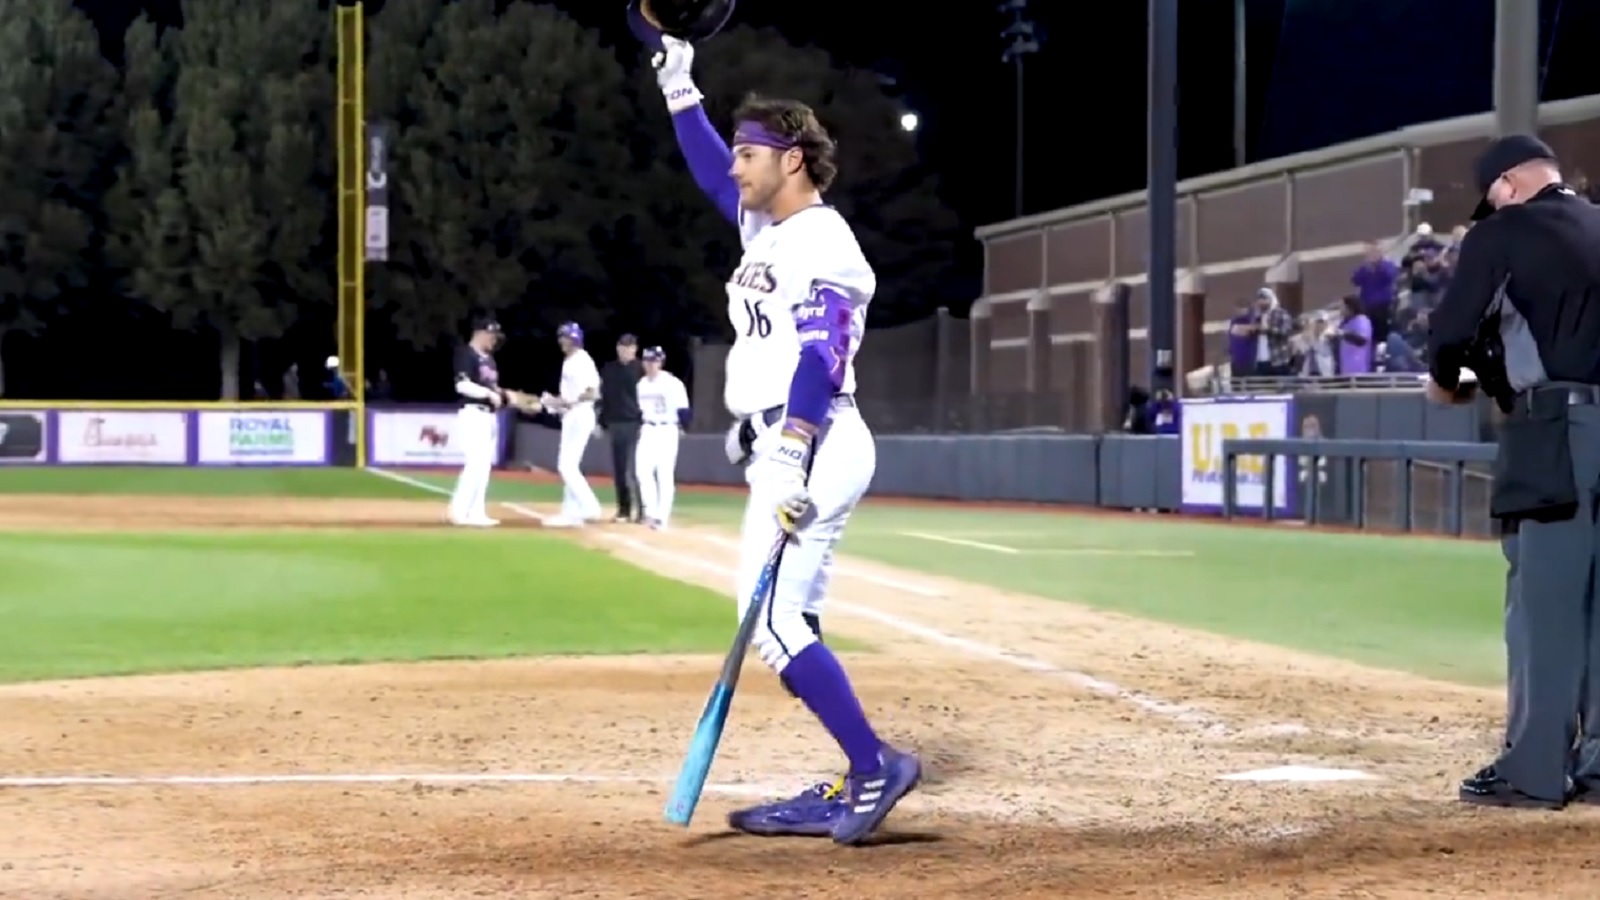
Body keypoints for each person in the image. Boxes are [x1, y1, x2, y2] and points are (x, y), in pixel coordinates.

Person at [650, 31, 921, 844]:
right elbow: (704, 172)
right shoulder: (767, 235)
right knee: (790, 620)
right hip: (784, 441)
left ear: (792, 159)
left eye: (749, 154)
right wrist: (677, 85)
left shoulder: (825, 242)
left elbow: (823, 350)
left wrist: (792, 447)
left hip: (819, 442)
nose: (735, 167)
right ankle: (857, 771)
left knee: (771, 626)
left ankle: (875, 769)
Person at [1428, 134, 1600, 809]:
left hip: (1555, 428)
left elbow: (1450, 339)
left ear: (1507, 184)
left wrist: (1449, 381)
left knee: (1544, 606)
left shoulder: (1503, 233)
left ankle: (1532, 772)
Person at [543, 322, 604, 528]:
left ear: (575, 339)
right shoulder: (569, 361)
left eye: (566, 337)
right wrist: (554, 402)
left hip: (580, 415)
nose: (562, 341)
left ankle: (590, 507)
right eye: (561, 337)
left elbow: (593, 392)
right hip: (571, 415)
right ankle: (570, 512)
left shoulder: (582, 359)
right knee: (569, 464)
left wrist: (570, 402)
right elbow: (569, 396)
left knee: (566, 465)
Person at [448, 316, 506, 527]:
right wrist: (488, 394)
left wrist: (504, 394)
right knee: (474, 463)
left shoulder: (489, 359)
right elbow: (462, 385)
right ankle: (459, 510)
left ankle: (477, 511)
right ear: (480, 333)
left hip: (489, 416)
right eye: (491, 335)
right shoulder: (466, 353)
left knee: (484, 466)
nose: (494, 340)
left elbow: (493, 386)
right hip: (473, 413)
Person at [633, 346, 691, 529]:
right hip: (648, 428)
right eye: (647, 361)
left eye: (654, 361)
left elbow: (684, 410)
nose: (650, 364)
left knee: (664, 474)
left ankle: (661, 517)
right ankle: (651, 512)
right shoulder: (641, 384)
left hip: (667, 429)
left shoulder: (672, 383)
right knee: (642, 470)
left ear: (661, 362)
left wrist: (683, 427)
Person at [598, 334, 645, 523]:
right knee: (619, 470)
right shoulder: (609, 370)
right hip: (615, 423)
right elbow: (604, 397)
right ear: (618, 348)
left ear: (635, 349)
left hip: (635, 423)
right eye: (623, 347)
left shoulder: (641, 369)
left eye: (630, 347)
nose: (626, 350)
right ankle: (623, 509)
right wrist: (601, 421)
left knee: (635, 469)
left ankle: (642, 510)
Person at [1335, 296, 1373, 375]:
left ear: (1349, 307)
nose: (1340, 310)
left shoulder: (1361, 320)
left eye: (1342, 307)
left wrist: (1343, 334)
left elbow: (1362, 340)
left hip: (1359, 368)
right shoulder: (1345, 322)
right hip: (1345, 369)